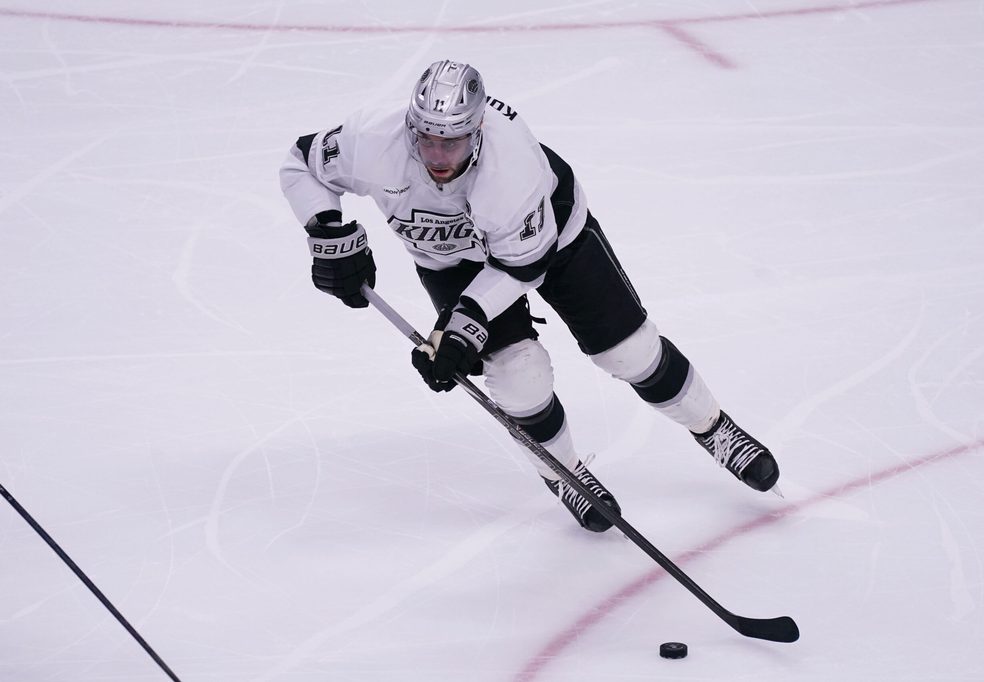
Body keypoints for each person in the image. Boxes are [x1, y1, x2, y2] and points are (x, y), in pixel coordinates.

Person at [279, 60, 780, 533]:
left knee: (629, 352)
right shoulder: (373, 139)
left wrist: (461, 327)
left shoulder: (511, 167)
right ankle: (562, 471)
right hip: (453, 261)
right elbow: (303, 162)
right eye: (426, 139)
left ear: (477, 130)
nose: (436, 157)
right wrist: (326, 232)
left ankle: (712, 426)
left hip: (553, 242)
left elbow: (521, 267)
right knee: (518, 376)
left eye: (451, 143)